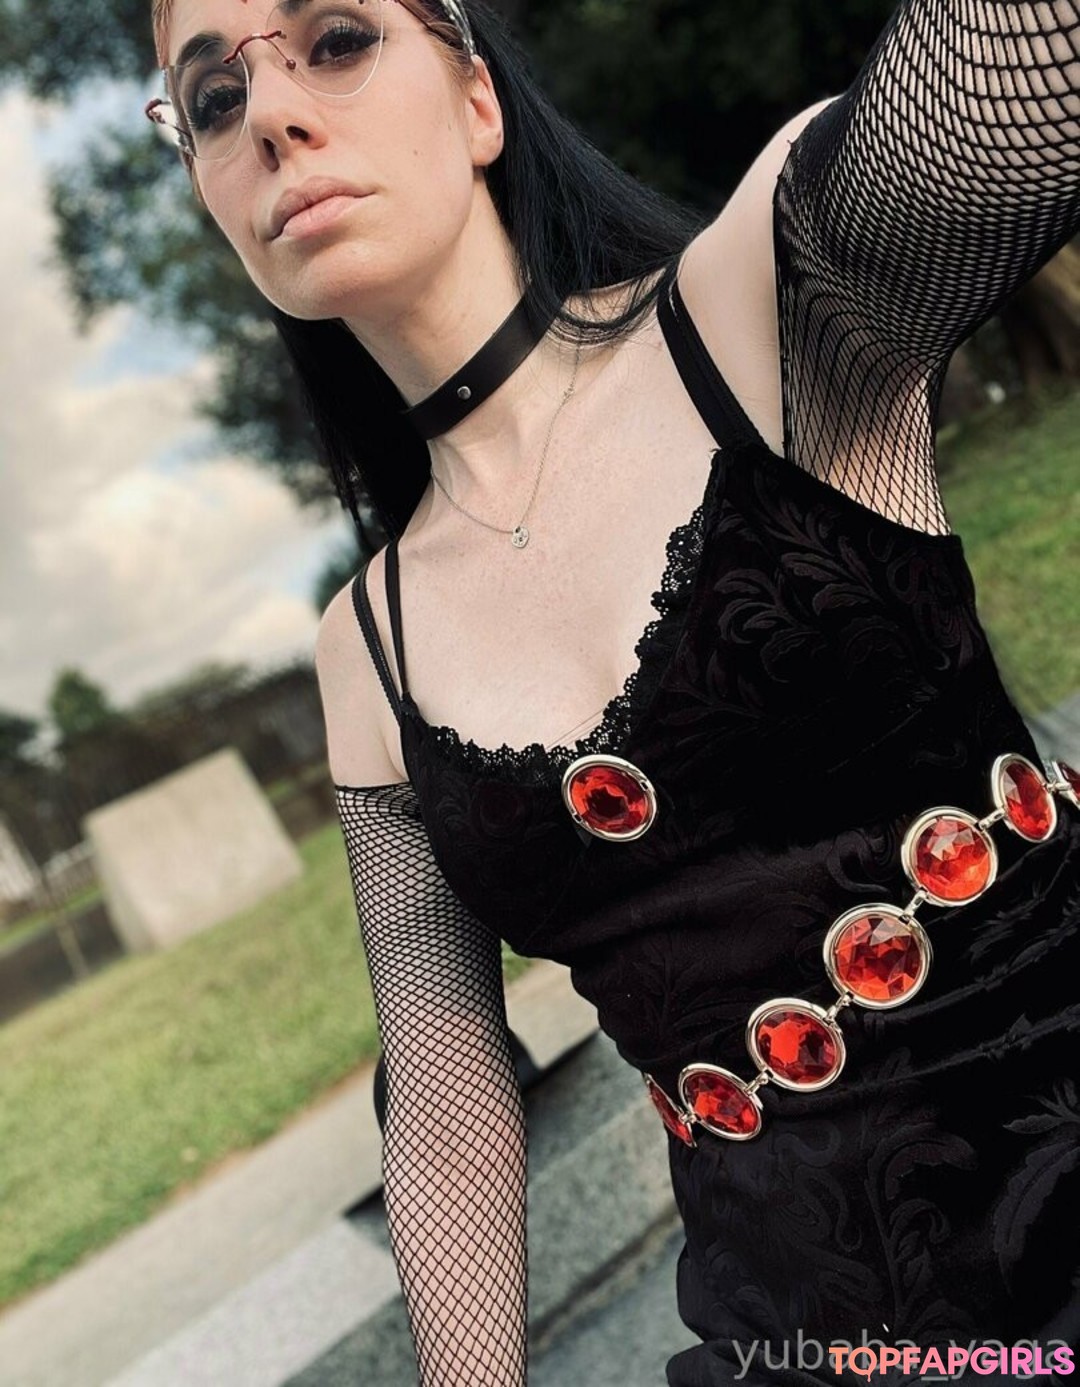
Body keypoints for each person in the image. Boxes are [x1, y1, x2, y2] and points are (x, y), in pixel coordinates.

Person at [145, 0, 1080, 1381]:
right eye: (212, 100)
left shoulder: (762, 304)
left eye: (335, 39)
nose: (272, 115)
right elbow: (447, 1074)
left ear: (478, 102)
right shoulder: (368, 649)